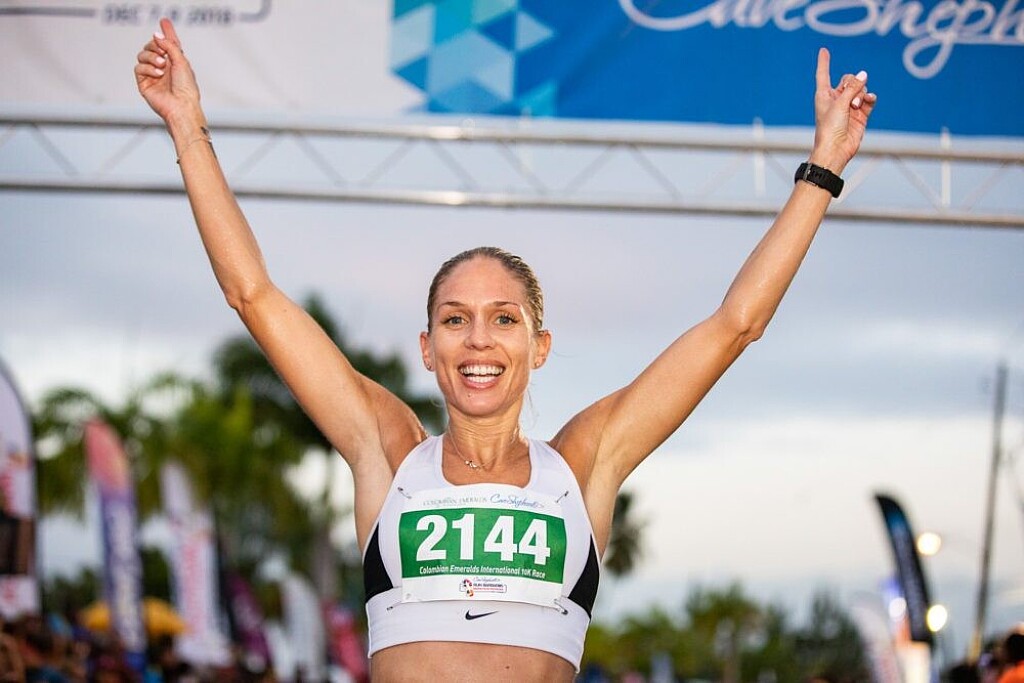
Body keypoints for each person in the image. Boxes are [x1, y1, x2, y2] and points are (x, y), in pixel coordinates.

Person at [135, 17, 876, 681]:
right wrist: (187, 126)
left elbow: (735, 325)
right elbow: (253, 295)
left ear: (540, 345)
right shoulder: (388, 452)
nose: (479, 339)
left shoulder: (583, 464)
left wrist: (825, 166)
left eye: (504, 319)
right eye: (455, 320)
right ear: (427, 348)